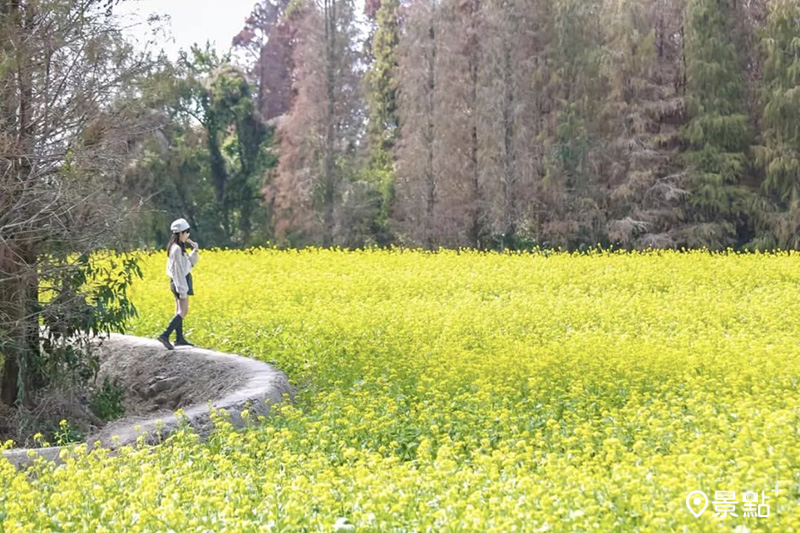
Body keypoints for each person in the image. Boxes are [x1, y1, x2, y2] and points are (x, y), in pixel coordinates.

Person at [157, 218, 199, 350]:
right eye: (186, 232)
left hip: (176, 282)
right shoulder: (176, 250)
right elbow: (178, 272)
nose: (188, 235)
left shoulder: (176, 248)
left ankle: (179, 339)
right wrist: (182, 289)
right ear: (181, 233)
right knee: (183, 311)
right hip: (179, 282)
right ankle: (165, 335)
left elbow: (187, 265)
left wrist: (195, 250)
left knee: (178, 311)